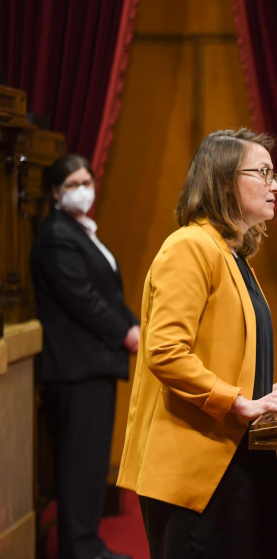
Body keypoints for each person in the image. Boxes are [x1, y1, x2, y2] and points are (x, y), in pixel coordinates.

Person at [117, 128, 277, 559]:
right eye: (263, 173)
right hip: (197, 467)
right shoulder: (190, 247)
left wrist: (261, 392)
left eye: (274, 174)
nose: (276, 186)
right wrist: (238, 402)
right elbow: (165, 352)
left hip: (236, 454)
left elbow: (223, 349)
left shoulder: (232, 254)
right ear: (224, 181)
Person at [31, 154, 139, 559]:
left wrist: (134, 324)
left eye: (87, 182)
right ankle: (79, 549)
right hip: (76, 368)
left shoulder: (80, 231)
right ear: (55, 191)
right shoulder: (57, 235)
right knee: (80, 464)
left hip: (94, 364)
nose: (83, 190)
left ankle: (88, 545)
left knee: (92, 463)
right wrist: (126, 333)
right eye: (73, 184)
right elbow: (84, 300)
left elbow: (107, 294)